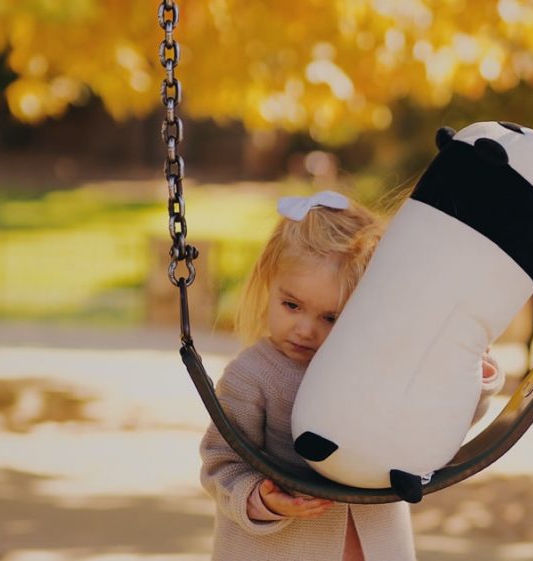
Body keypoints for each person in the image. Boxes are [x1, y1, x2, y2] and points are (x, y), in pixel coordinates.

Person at [198, 190, 504, 561]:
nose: (305, 329)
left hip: (375, 545)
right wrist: (262, 498)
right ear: (268, 283)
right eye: (291, 305)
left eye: (331, 317)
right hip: (282, 548)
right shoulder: (252, 375)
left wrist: (472, 375)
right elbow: (221, 463)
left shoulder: (381, 367)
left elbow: (435, 431)